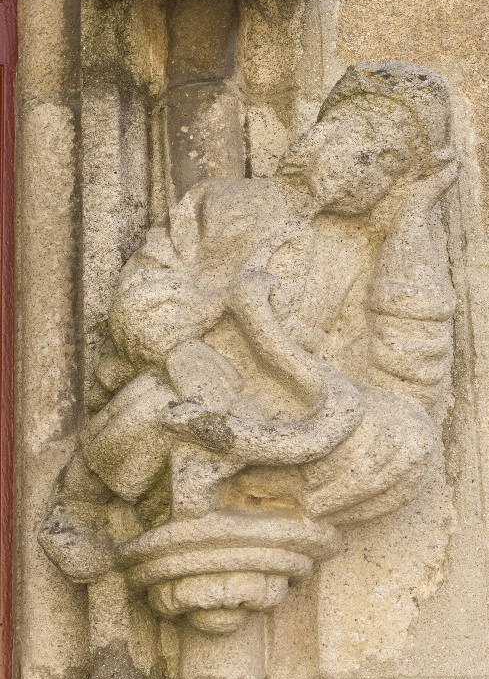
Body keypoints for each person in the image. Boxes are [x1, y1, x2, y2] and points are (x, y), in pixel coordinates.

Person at [40, 61, 459, 582]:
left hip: (294, 402)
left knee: (407, 441)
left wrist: (413, 217)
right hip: (197, 375)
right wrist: (184, 343)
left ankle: (249, 495)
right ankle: (84, 501)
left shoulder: (362, 250)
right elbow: (148, 287)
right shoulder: (227, 203)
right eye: (360, 142)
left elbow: (407, 363)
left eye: (391, 164)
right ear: (321, 136)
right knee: (153, 404)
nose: (365, 167)